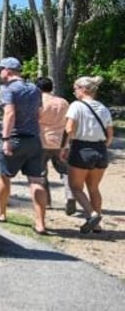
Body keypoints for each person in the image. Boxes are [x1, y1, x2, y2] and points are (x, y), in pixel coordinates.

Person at [0, 57, 48, 235]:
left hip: (15, 138)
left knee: (4, 176)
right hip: (33, 140)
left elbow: (9, 114)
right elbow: (39, 115)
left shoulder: (8, 90)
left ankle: (0, 212)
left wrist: (6, 138)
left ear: (8, 71)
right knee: (36, 181)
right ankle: (40, 223)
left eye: (1, 69)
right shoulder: (34, 89)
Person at [60, 76, 114, 234]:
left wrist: (64, 147)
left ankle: (92, 214)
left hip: (81, 148)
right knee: (94, 187)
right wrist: (103, 146)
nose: (74, 91)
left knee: (76, 187)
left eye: (76, 88)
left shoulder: (76, 106)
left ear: (83, 89)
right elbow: (110, 133)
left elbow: (69, 129)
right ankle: (97, 225)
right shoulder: (103, 108)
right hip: (100, 150)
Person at [35, 76, 74, 214]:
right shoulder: (63, 102)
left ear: (38, 88)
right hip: (61, 142)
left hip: (42, 140)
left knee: (41, 172)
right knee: (65, 171)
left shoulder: (38, 102)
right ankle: (70, 195)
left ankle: (46, 202)